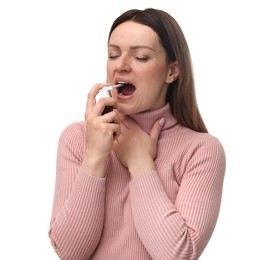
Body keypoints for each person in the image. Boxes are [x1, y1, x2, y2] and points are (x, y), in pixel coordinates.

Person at [48, 8, 226, 260]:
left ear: (172, 71)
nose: (120, 66)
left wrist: (140, 163)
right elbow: (70, 253)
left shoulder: (202, 150)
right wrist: (96, 155)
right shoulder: (77, 137)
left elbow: (178, 256)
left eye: (140, 57)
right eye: (113, 54)